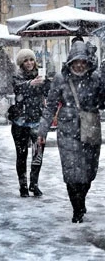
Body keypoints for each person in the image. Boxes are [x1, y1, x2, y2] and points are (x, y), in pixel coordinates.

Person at [37, 41, 104, 223]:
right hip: (67, 130)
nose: (80, 65)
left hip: (90, 127)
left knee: (89, 172)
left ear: (87, 62)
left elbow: (102, 102)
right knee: (72, 172)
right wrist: (42, 130)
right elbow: (50, 106)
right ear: (70, 62)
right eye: (76, 61)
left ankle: (81, 199)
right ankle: (77, 208)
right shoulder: (61, 79)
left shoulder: (96, 78)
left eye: (83, 61)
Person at [10, 48, 51, 198]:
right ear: (21, 63)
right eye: (25, 60)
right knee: (21, 155)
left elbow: (49, 92)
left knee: (38, 154)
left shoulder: (41, 76)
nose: (29, 63)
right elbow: (19, 88)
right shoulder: (17, 76)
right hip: (20, 122)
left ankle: (34, 183)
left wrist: (46, 83)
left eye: (31, 59)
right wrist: (31, 84)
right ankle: (23, 186)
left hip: (37, 122)